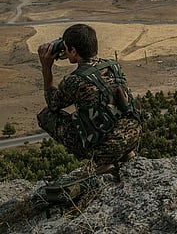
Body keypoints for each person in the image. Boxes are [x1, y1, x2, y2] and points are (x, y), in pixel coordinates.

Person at [37, 23, 141, 172]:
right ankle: (125, 154)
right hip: (133, 136)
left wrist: (46, 67)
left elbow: (53, 104)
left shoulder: (75, 81)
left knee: (46, 116)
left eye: (66, 47)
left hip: (105, 150)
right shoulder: (113, 66)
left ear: (73, 51)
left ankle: (101, 162)